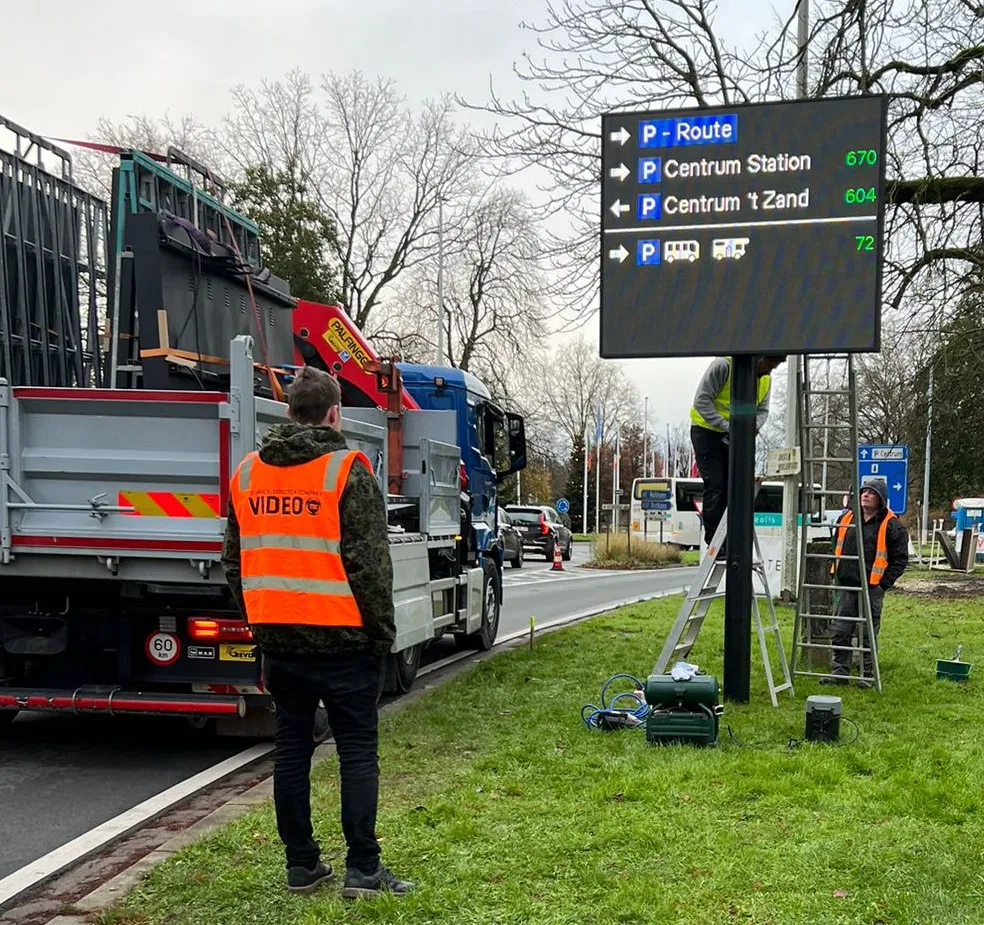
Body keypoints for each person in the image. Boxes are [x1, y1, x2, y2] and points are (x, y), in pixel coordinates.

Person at [222, 366, 413, 898]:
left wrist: (259, 620)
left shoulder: (246, 474)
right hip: (344, 640)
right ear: (335, 414)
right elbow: (370, 567)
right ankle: (363, 869)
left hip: (280, 641)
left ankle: (302, 865)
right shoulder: (347, 471)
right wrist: (382, 636)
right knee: (356, 750)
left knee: (291, 748)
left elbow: (233, 563)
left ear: (288, 412)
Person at [689, 354, 786, 546]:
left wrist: (750, 429)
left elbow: (762, 411)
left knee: (735, 486)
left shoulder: (765, 379)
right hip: (707, 432)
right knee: (716, 484)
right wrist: (729, 427)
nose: (770, 370)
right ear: (759, 358)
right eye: (769, 364)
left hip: (736, 435)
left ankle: (732, 537)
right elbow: (701, 402)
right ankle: (714, 539)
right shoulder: (723, 366)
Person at [823, 477, 909, 687]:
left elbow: (900, 560)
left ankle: (866, 675)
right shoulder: (846, 520)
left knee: (867, 634)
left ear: (881, 498)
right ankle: (840, 673)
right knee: (841, 632)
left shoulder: (893, 526)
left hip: (871, 588)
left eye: (871, 492)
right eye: (864, 491)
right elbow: (837, 547)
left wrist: (882, 585)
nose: (866, 494)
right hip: (846, 586)